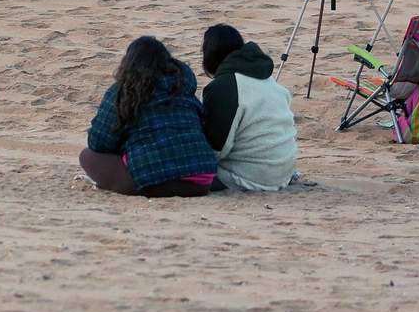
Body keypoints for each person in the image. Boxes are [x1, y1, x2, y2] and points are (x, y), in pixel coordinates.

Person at [79, 36, 216, 198]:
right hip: (200, 183)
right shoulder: (184, 89)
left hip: (152, 183)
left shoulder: (121, 93)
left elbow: (99, 142)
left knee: (87, 156)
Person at [198, 25, 298, 191]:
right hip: (283, 173)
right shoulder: (269, 81)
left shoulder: (224, 87)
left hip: (250, 178)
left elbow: (215, 148)